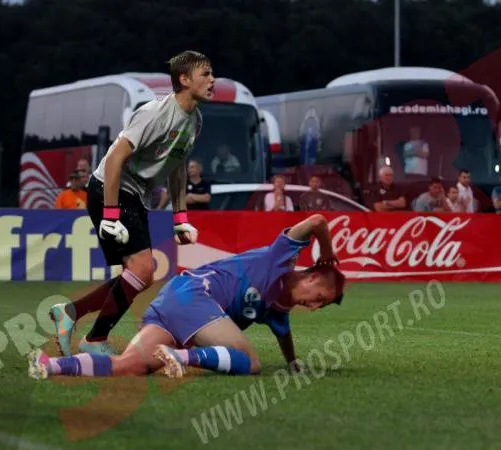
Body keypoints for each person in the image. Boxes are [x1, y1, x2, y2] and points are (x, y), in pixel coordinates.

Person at [27, 214, 344, 379]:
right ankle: (180, 357)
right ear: (314, 275)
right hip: (195, 296)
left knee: (130, 367)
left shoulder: (278, 310)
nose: (316, 306)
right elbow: (317, 222)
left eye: (322, 306)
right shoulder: (281, 256)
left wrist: (293, 364)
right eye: (321, 296)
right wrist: (328, 257)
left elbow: (284, 336)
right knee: (250, 362)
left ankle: (51, 366)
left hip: (174, 299)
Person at [48, 50, 215, 357]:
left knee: (136, 274)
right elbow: (113, 159)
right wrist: (111, 214)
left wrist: (180, 218)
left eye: (211, 73)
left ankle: (70, 313)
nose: (212, 79)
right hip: (110, 189)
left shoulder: (195, 120)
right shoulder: (155, 113)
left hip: (134, 195)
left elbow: (176, 166)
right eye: (205, 74)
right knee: (143, 268)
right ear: (184, 79)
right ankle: (94, 339)